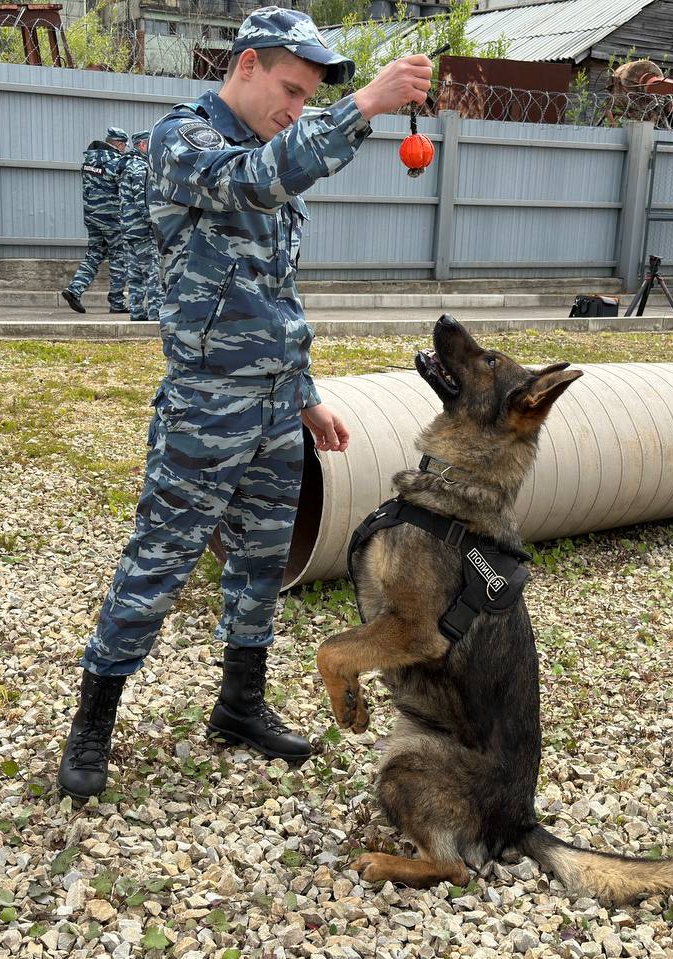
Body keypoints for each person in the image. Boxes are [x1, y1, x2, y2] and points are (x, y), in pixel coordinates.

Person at [57, 5, 432, 800]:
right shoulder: (184, 142)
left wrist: (303, 394)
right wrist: (362, 107)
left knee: (262, 565)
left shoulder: (273, 148)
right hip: (205, 405)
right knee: (159, 561)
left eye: (308, 99)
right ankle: (94, 721)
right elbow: (251, 182)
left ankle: (239, 704)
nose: (294, 109)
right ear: (248, 64)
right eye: (290, 90)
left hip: (272, 409)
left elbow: (274, 291)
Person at [61, 126, 131, 315]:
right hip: (112, 218)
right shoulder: (117, 162)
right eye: (124, 144)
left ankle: (74, 290)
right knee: (119, 258)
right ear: (118, 143)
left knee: (94, 254)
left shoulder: (88, 161)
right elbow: (124, 189)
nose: (125, 148)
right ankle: (116, 303)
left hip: (91, 216)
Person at [122, 130, 165, 323]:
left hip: (128, 229)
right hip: (142, 230)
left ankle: (136, 312)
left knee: (135, 275)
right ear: (142, 145)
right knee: (153, 274)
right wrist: (155, 223)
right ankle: (156, 313)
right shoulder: (140, 167)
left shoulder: (125, 165)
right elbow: (143, 201)